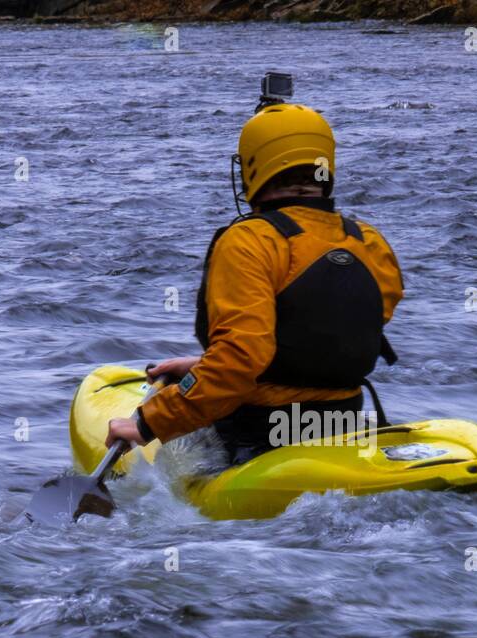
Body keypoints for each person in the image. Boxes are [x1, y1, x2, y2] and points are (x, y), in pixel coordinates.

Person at [105, 102, 404, 465]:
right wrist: (205, 367)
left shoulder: (249, 241)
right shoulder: (368, 240)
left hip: (258, 436)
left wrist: (147, 423)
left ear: (252, 168)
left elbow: (242, 360)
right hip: (343, 423)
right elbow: (318, 338)